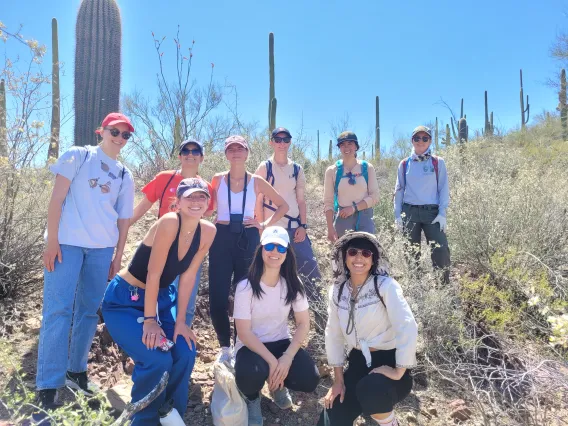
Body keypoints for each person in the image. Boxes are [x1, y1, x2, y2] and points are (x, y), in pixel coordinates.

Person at [36, 112, 135, 409]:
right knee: (58, 311)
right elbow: (56, 199)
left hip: (101, 250)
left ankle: (76, 371)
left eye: (125, 135)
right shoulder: (78, 155)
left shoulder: (124, 174)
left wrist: (117, 255)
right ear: (100, 132)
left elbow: (124, 219)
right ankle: (48, 384)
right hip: (66, 244)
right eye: (113, 131)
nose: (118, 138)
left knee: (89, 313)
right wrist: (51, 241)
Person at [102, 178, 216, 425]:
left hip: (163, 299)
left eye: (201, 197)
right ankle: (144, 420)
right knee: (157, 357)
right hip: (126, 301)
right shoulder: (169, 222)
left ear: (209, 202)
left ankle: (171, 416)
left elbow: (186, 278)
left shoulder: (208, 231)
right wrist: (151, 321)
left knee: (184, 352)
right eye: (190, 197)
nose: (196, 202)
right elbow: (153, 273)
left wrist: (181, 323)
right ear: (178, 201)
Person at [318, 232, 417, 426]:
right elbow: (334, 335)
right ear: (344, 257)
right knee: (331, 417)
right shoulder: (337, 291)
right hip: (357, 362)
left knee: (371, 390)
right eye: (353, 252)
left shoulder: (386, 286)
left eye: (366, 253)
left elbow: (407, 326)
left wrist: (398, 370)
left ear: (373, 259)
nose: (358, 258)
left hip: (389, 362)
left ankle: (389, 423)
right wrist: (338, 381)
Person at [209, 135, 289, 366]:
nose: (235, 152)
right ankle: (225, 347)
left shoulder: (256, 181)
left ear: (247, 153)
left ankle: (241, 344)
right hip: (221, 237)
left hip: (248, 237)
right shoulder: (217, 180)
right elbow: (208, 206)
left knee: (245, 294)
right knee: (218, 295)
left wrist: (263, 225)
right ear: (226, 153)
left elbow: (283, 205)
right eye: (231, 148)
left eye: (240, 149)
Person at [233, 226, 320, 426]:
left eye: (280, 248)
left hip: (281, 342)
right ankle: (252, 398)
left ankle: (277, 385)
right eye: (270, 246)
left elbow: (303, 323)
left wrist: (287, 358)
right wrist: (274, 362)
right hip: (251, 346)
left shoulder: (293, 283)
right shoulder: (245, 286)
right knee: (249, 375)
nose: (275, 252)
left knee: (309, 378)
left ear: (287, 253)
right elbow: (244, 333)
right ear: (261, 249)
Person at [130, 138, 214, 326]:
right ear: (179, 156)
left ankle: (181, 336)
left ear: (202, 157)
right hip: (163, 248)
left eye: (195, 151)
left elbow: (204, 216)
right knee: (157, 293)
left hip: (188, 249)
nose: (190, 155)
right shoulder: (164, 178)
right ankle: (155, 337)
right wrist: (122, 228)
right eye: (186, 151)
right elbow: (143, 206)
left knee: (187, 300)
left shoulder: (207, 188)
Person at [254, 127, 322, 305]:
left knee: (309, 269)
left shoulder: (297, 169)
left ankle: (320, 316)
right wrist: (262, 226)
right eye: (278, 139)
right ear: (271, 142)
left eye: (285, 140)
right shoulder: (265, 167)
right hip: (272, 229)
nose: (281, 143)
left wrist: (303, 226)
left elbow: (301, 200)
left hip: (294, 228)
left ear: (290, 142)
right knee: (271, 273)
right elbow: (258, 199)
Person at [393, 125, 451, 284]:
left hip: (432, 213)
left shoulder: (438, 162)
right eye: (417, 138)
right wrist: (397, 215)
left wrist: (442, 213)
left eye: (425, 138)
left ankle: (443, 287)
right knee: (411, 253)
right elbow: (399, 190)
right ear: (412, 141)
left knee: (440, 250)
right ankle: (415, 286)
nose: (420, 141)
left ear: (430, 141)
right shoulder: (404, 164)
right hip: (409, 212)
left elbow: (443, 188)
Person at [323, 131, 379, 242]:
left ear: (356, 146)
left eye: (350, 143)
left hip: (365, 217)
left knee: (366, 253)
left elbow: (375, 197)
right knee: (344, 254)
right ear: (339, 147)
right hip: (343, 218)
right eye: (342, 144)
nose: (346, 147)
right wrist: (330, 228)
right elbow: (328, 202)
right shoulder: (332, 171)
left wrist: (354, 208)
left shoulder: (367, 168)